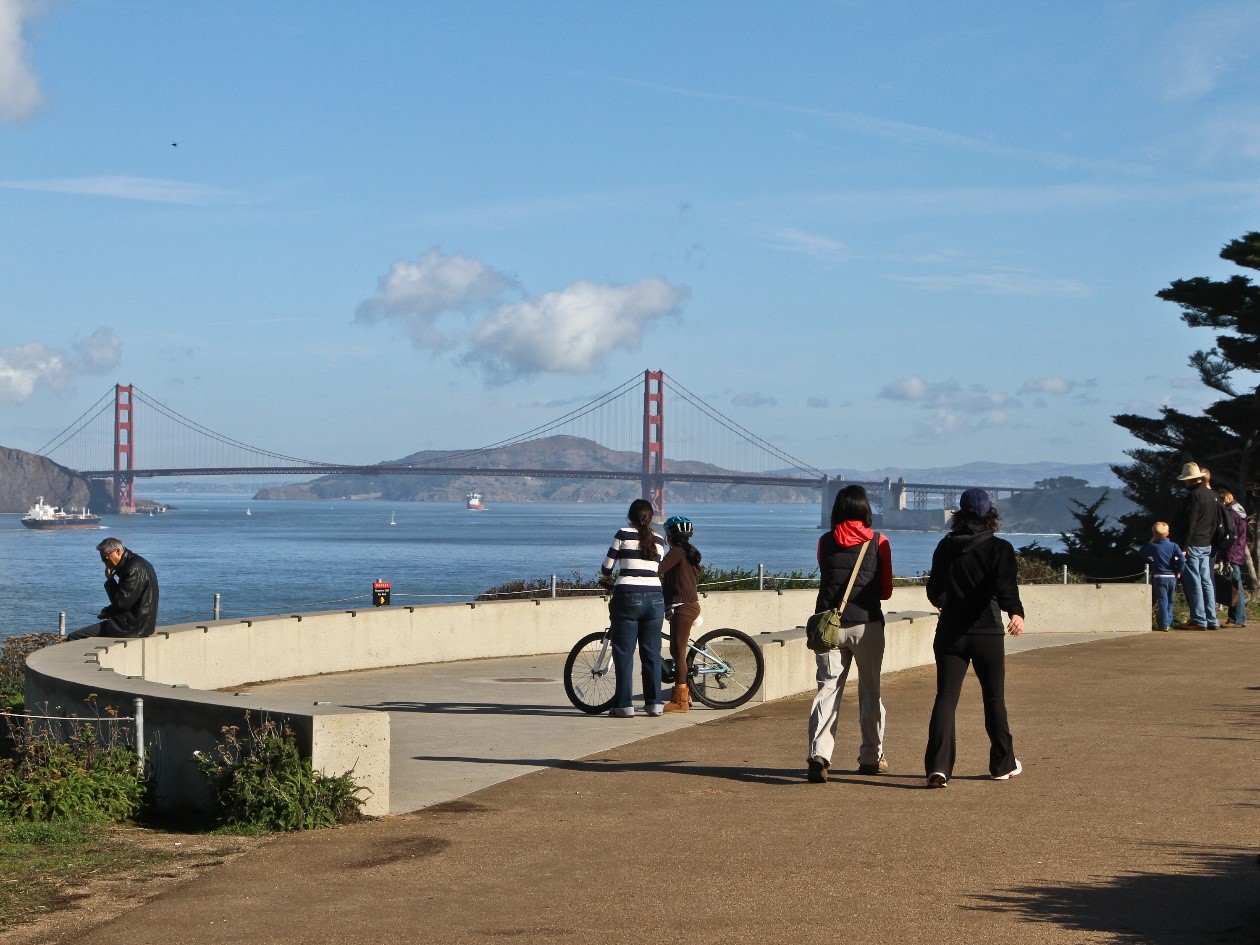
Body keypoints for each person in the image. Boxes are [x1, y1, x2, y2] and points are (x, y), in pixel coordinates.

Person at [923, 488, 1024, 788]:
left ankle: (938, 769)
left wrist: (944, 601)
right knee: (994, 698)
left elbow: (935, 590)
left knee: (946, 697)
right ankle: (1002, 764)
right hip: (987, 632)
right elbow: (1006, 588)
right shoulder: (1000, 548)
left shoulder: (945, 546)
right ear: (989, 514)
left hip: (951, 632)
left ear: (960, 514)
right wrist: (1015, 613)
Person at [806, 484, 893, 783]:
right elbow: (886, 591)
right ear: (866, 509)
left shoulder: (824, 541)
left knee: (828, 690)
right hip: (867, 625)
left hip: (830, 627)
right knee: (871, 691)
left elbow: (826, 574)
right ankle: (871, 756)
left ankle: (819, 754)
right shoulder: (879, 541)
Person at [598, 499, 666, 718]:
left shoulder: (623, 534)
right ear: (651, 517)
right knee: (652, 653)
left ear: (630, 515)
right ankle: (654, 703)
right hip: (656, 598)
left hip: (627, 596)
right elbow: (657, 567)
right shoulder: (659, 539)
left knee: (624, 652)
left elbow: (607, 565)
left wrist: (607, 578)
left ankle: (624, 705)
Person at [67, 537, 160, 641]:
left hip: (131, 627)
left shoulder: (132, 568)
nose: (105, 562)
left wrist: (110, 580)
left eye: (106, 558)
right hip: (142, 624)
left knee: (73, 637)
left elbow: (121, 603)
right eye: (102, 559)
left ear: (117, 551)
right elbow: (129, 599)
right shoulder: (139, 562)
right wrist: (107, 611)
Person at [658, 515, 702, 713]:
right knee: (678, 651)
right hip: (687, 606)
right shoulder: (687, 552)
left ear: (669, 536)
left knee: (678, 653)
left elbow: (659, 568)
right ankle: (688, 695)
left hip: (683, 607)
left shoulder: (676, 552)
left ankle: (680, 701)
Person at [1170, 462, 1220, 631]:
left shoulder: (1193, 496)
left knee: (1194, 581)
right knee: (1206, 581)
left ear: (1189, 480)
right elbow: (1215, 522)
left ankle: (1199, 619)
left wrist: (1183, 546)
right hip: (1206, 542)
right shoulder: (1212, 495)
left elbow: (1189, 523)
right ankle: (1212, 618)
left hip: (1193, 543)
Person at [1131, 522, 1184, 631]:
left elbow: (1142, 552)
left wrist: (1150, 542)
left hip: (1159, 577)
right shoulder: (1174, 546)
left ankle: (1163, 624)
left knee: (1162, 600)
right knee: (1170, 600)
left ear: (1154, 534)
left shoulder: (1153, 547)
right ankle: (1168, 621)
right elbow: (1181, 558)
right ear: (1168, 533)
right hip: (1172, 576)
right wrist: (1179, 570)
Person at [1217, 488, 1248, 628]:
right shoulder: (1239, 510)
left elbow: (1231, 538)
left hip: (1233, 554)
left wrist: (1228, 558)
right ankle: (1237, 617)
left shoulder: (1231, 513)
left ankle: (1236, 618)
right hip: (1239, 552)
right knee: (1237, 585)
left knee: (1235, 586)